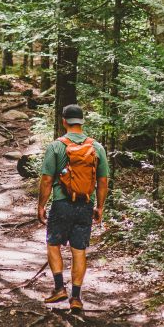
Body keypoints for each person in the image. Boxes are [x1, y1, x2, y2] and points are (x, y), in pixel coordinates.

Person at [37, 104, 109, 313]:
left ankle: (59, 288)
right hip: (85, 204)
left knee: (53, 244)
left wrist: (41, 205)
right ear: (82, 122)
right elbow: (103, 181)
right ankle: (76, 298)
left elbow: (47, 179)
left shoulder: (56, 147)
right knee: (79, 251)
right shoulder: (97, 147)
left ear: (64, 121)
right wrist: (100, 206)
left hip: (61, 204)